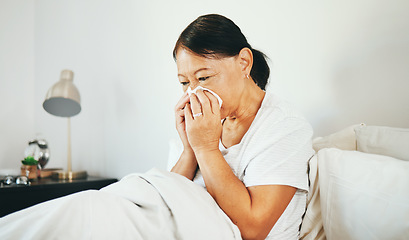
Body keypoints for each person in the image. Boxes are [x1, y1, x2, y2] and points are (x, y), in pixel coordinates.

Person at [170, 14, 314, 240]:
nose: (194, 93)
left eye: (204, 77)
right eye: (185, 83)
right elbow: (166, 203)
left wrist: (206, 149)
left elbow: (253, 229)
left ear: (244, 62)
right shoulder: (203, 125)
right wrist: (190, 149)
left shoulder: (284, 126)